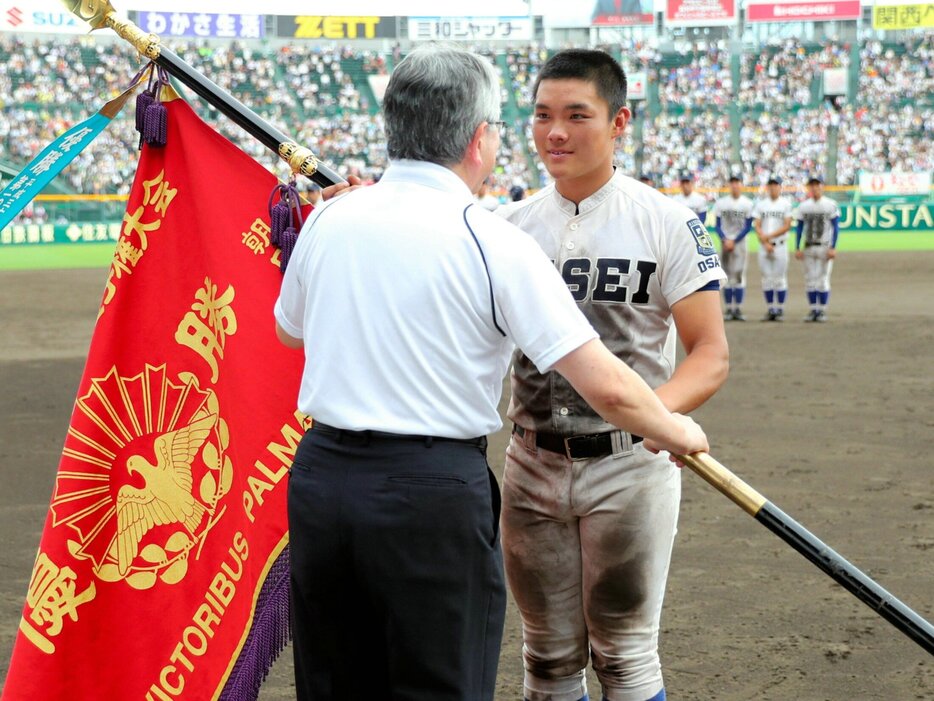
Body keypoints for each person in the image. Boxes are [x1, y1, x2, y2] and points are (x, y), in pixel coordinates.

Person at [274, 44, 709, 701]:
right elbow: (606, 383)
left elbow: (289, 329)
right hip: (428, 491)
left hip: (322, 481)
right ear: (480, 138)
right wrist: (675, 427)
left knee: (336, 681)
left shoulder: (332, 217)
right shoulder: (496, 238)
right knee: (440, 682)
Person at [495, 49, 729, 701]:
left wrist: (658, 416)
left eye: (577, 115)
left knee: (624, 653)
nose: (556, 132)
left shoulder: (666, 220)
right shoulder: (507, 228)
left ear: (619, 120)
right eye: (542, 116)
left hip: (630, 464)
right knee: (546, 655)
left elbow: (710, 351)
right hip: (531, 460)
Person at [794, 175, 840, 322]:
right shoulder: (803, 206)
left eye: (817, 185)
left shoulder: (830, 204)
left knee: (823, 279)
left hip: (824, 246)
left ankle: (822, 310)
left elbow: (836, 227)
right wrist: (797, 247)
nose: (814, 188)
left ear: (822, 186)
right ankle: (813, 309)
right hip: (808, 246)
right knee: (810, 279)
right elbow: (799, 228)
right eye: (812, 185)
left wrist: (833, 247)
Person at [710, 174, 755, 321]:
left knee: (739, 275)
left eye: (737, 182)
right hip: (725, 242)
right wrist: (725, 238)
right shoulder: (721, 203)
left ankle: (738, 309)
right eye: (733, 182)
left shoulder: (747, 203)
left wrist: (734, 240)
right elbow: (717, 225)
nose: (735, 185)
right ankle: (729, 308)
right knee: (726, 275)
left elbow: (748, 226)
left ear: (741, 184)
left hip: (740, 243)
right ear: (729, 185)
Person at [752, 175, 794, 321]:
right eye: (771, 185)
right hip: (764, 246)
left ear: (780, 187)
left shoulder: (786, 204)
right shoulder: (761, 204)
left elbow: (787, 225)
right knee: (767, 279)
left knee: (780, 279)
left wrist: (768, 237)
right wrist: (765, 241)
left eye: (776, 185)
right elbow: (757, 224)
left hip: (780, 245)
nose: (773, 187)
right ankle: (771, 309)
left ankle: (780, 309)